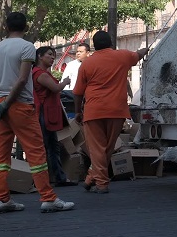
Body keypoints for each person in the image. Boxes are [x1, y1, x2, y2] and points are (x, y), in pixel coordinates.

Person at [0, 11, 75, 214]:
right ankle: (48, 198)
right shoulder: (26, 47)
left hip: (1, 105)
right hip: (21, 106)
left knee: (2, 153)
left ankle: (1, 199)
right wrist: (6, 104)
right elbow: (23, 79)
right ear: (26, 28)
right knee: (36, 152)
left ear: (6, 27)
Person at [73, 31, 147, 194]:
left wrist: (78, 111)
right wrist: (145, 49)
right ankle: (91, 178)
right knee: (107, 147)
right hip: (117, 111)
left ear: (94, 46)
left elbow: (78, 92)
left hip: (94, 111)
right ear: (111, 42)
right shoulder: (123, 56)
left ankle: (101, 183)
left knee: (98, 149)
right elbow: (139, 54)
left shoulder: (87, 64)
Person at [32, 46, 76, 186]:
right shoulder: (40, 74)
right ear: (40, 56)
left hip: (46, 113)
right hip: (44, 114)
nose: (52, 58)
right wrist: (65, 82)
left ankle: (57, 177)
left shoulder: (41, 72)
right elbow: (56, 88)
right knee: (48, 146)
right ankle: (49, 179)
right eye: (49, 55)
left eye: (53, 55)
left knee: (51, 146)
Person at [59, 42, 90, 107]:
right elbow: (65, 80)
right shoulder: (71, 65)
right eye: (77, 51)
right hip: (72, 97)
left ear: (87, 53)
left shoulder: (92, 64)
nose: (78, 53)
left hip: (88, 97)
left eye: (81, 52)